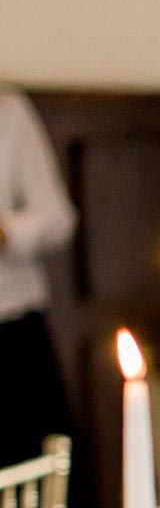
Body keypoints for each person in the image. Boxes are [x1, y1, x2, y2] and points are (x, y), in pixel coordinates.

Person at [0, 85, 77, 461]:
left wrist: (5, 231)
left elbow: (57, 217)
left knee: (36, 465)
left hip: (10, 330)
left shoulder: (8, 112)